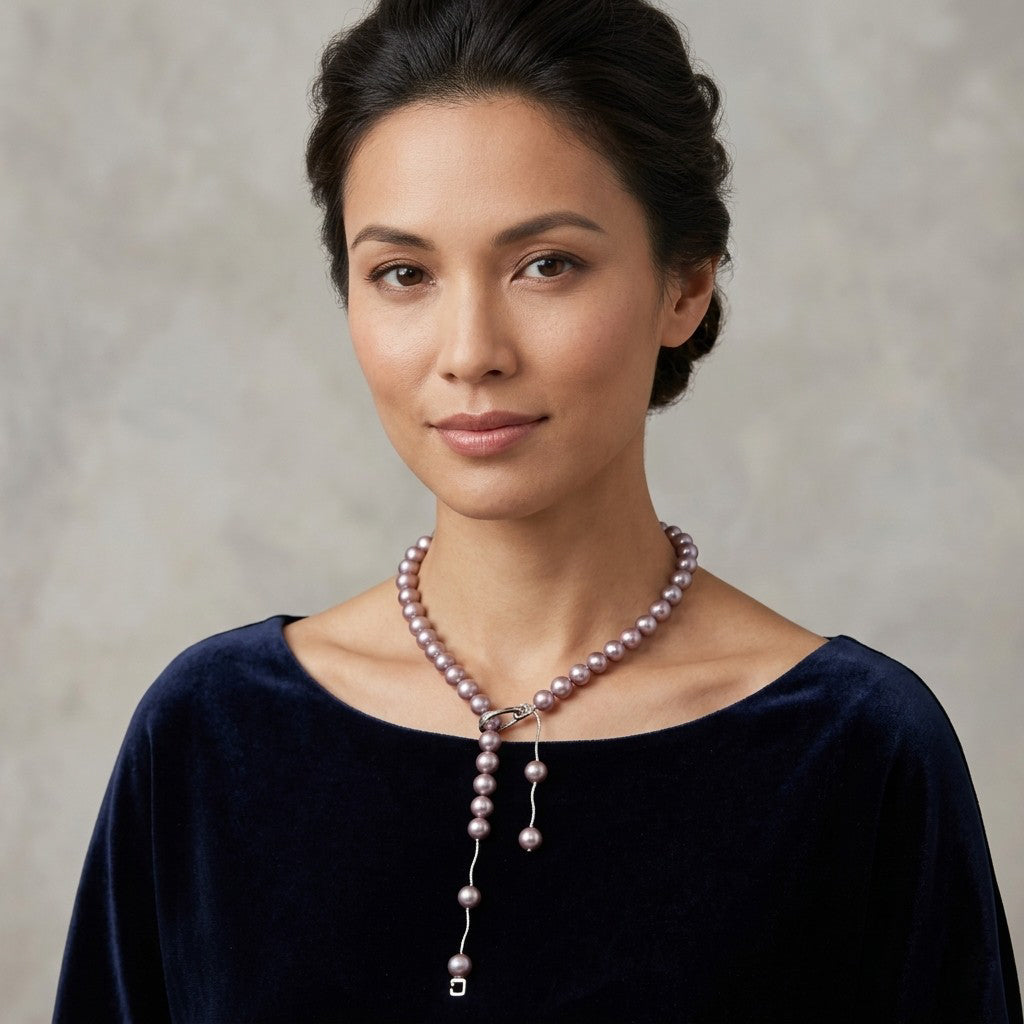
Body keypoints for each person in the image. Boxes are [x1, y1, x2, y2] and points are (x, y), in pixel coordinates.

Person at [53, 0, 1021, 1021]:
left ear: (683, 285)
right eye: (403, 273)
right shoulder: (213, 735)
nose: (470, 349)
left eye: (545, 264)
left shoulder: (853, 752)